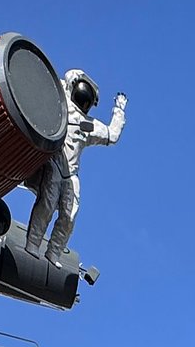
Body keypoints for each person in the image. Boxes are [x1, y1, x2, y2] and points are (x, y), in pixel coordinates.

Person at [25, 69, 127, 274]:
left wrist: (119, 109)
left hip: (71, 174)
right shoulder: (60, 107)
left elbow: (111, 134)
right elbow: (58, 85)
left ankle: (54, 252)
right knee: (47, 204)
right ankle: (33, 245)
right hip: (55, 163)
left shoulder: (87, 125)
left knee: (70, 215)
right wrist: (74, 78)